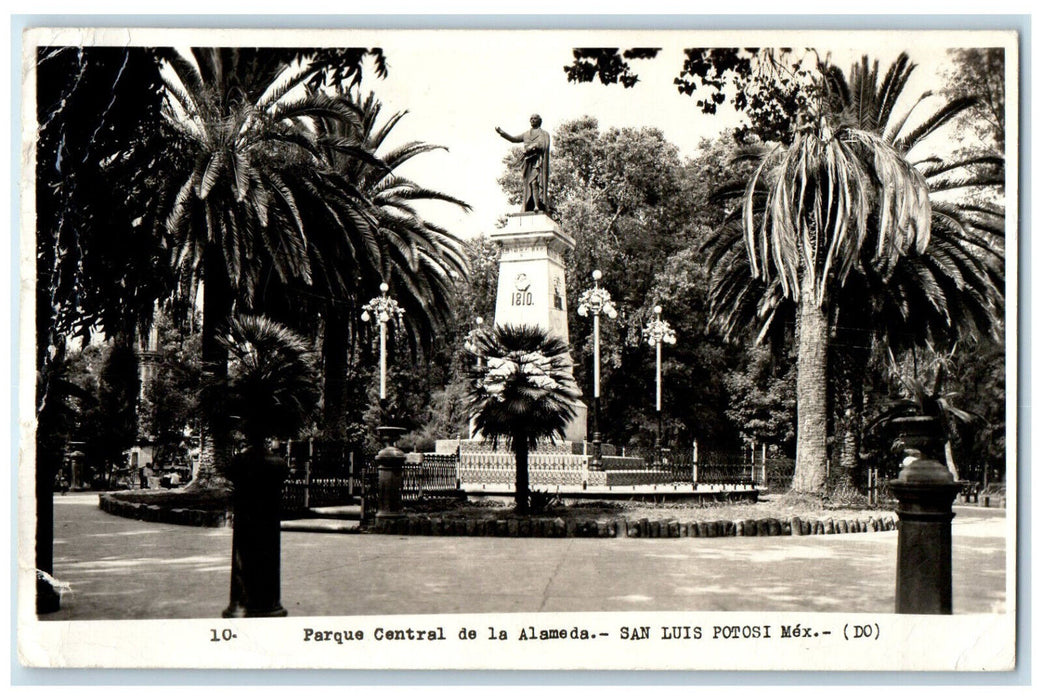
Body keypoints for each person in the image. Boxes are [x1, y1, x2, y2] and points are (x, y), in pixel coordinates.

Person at [496, 114, 550, 212]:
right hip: (528, 163)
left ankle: (537, 206)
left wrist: (532, 146)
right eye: (531, 119)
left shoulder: (544, 134)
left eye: (535, 119)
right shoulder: (526, 134)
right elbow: (514, 139)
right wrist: (502, 133)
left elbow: (543, 146)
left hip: (538, 162)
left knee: (534, 183)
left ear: (539, 121)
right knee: (528, 184)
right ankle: (528, 205)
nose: (533, 120)